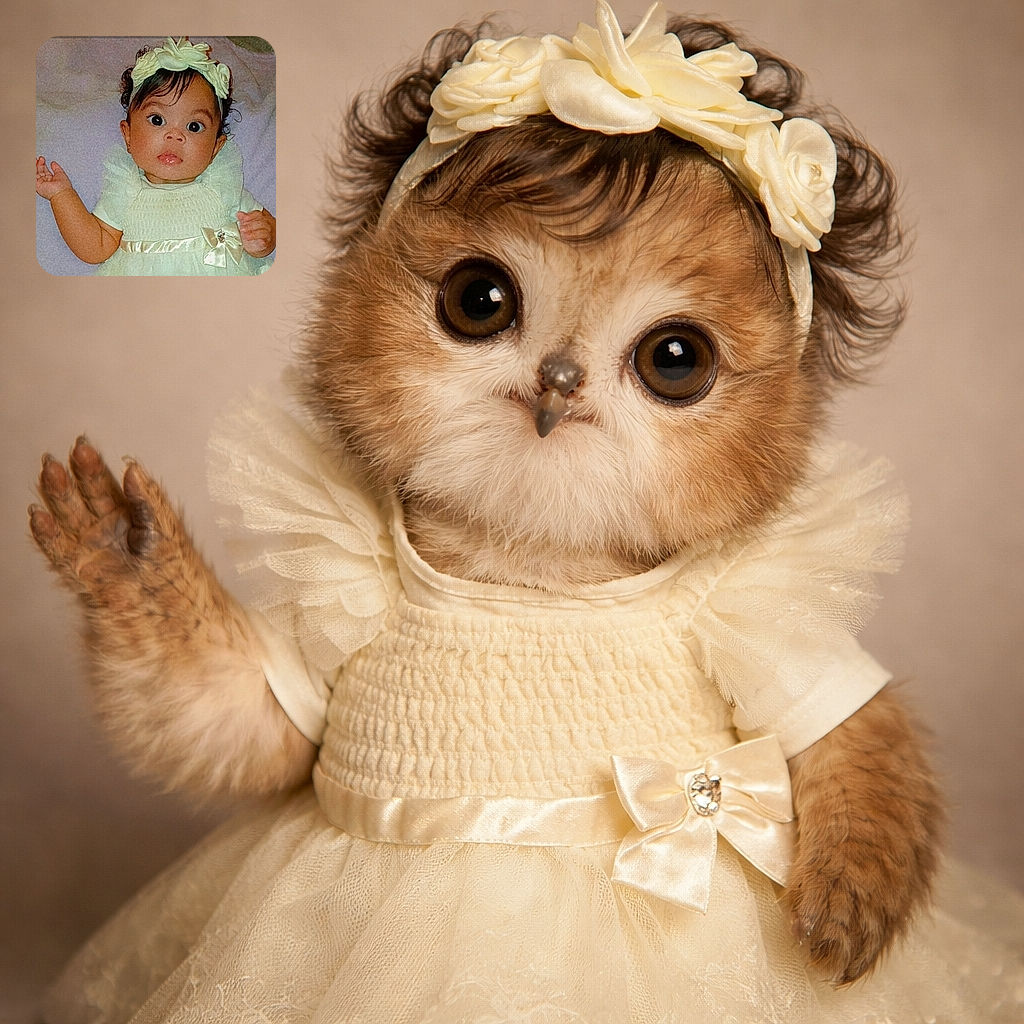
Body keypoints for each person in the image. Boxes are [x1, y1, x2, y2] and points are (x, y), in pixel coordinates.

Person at [36, 37, 275, 275]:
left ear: (216, 148)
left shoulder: (223, 188)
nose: (175, 135)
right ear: (127, 136)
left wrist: (264, 237)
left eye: (194, 126)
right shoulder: (126, 192)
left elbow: (268, 226)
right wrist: (61, 196)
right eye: (157, 120)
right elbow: (95, 248)